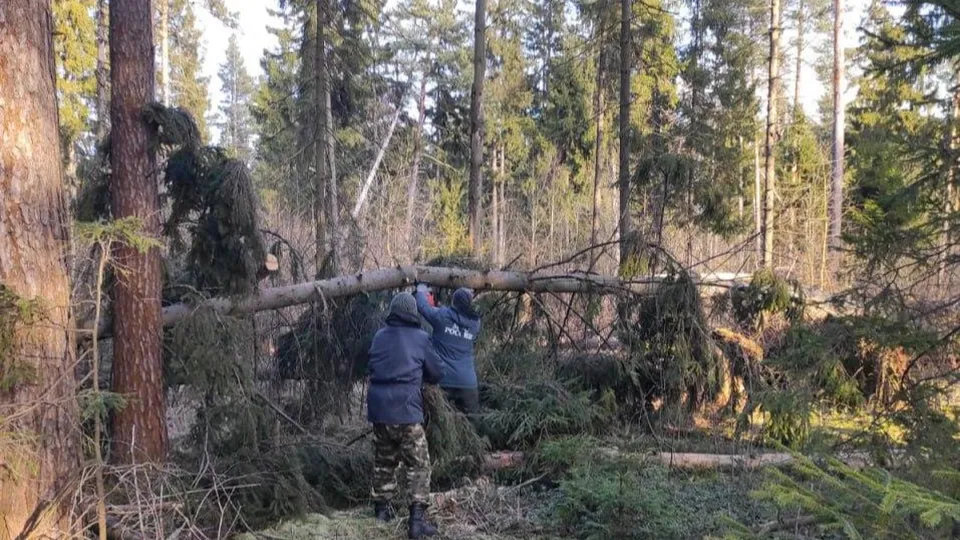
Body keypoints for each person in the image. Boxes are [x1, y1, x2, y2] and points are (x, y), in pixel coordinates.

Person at [367, 292, 443, 538]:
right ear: (413, 312)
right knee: (418, 464)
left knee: (384, 461)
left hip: (379, 411)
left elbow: (372, 366)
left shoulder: (379, 336)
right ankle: (417, 521)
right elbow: (436, 372)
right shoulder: (420, 338)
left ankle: (381, 511)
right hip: (407, 412)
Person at [414, 284, 482, 416]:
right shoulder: (475, 323)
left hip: (444, 382)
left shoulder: (441, 316)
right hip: (468, 384)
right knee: (471, 424)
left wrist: (421, 289)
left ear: (453, 302)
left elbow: (423, 307)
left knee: (439, 423)